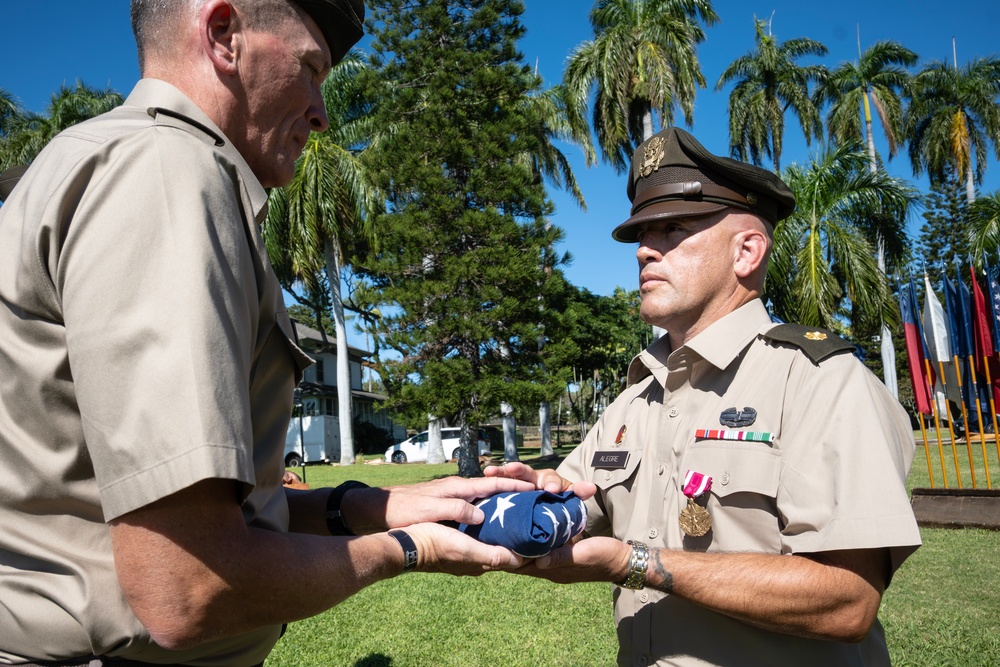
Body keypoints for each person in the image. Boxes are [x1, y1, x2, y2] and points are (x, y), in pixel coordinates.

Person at [0, 2, 563, 665]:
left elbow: (198, 513)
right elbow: (188, 584)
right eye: (311, 68)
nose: (323, 111)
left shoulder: (107, 159)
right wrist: (412, 550)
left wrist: (379, 505)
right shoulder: (167, 173)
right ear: (222, 35)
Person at [487, 127, 922, 667]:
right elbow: (582, 512)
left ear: (746, 251)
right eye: (644, 232)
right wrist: (540, 498)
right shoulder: (637, 398)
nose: (646, 249)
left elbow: (848, 600)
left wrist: (636, 562)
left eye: (673, 228)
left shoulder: (819, 381)